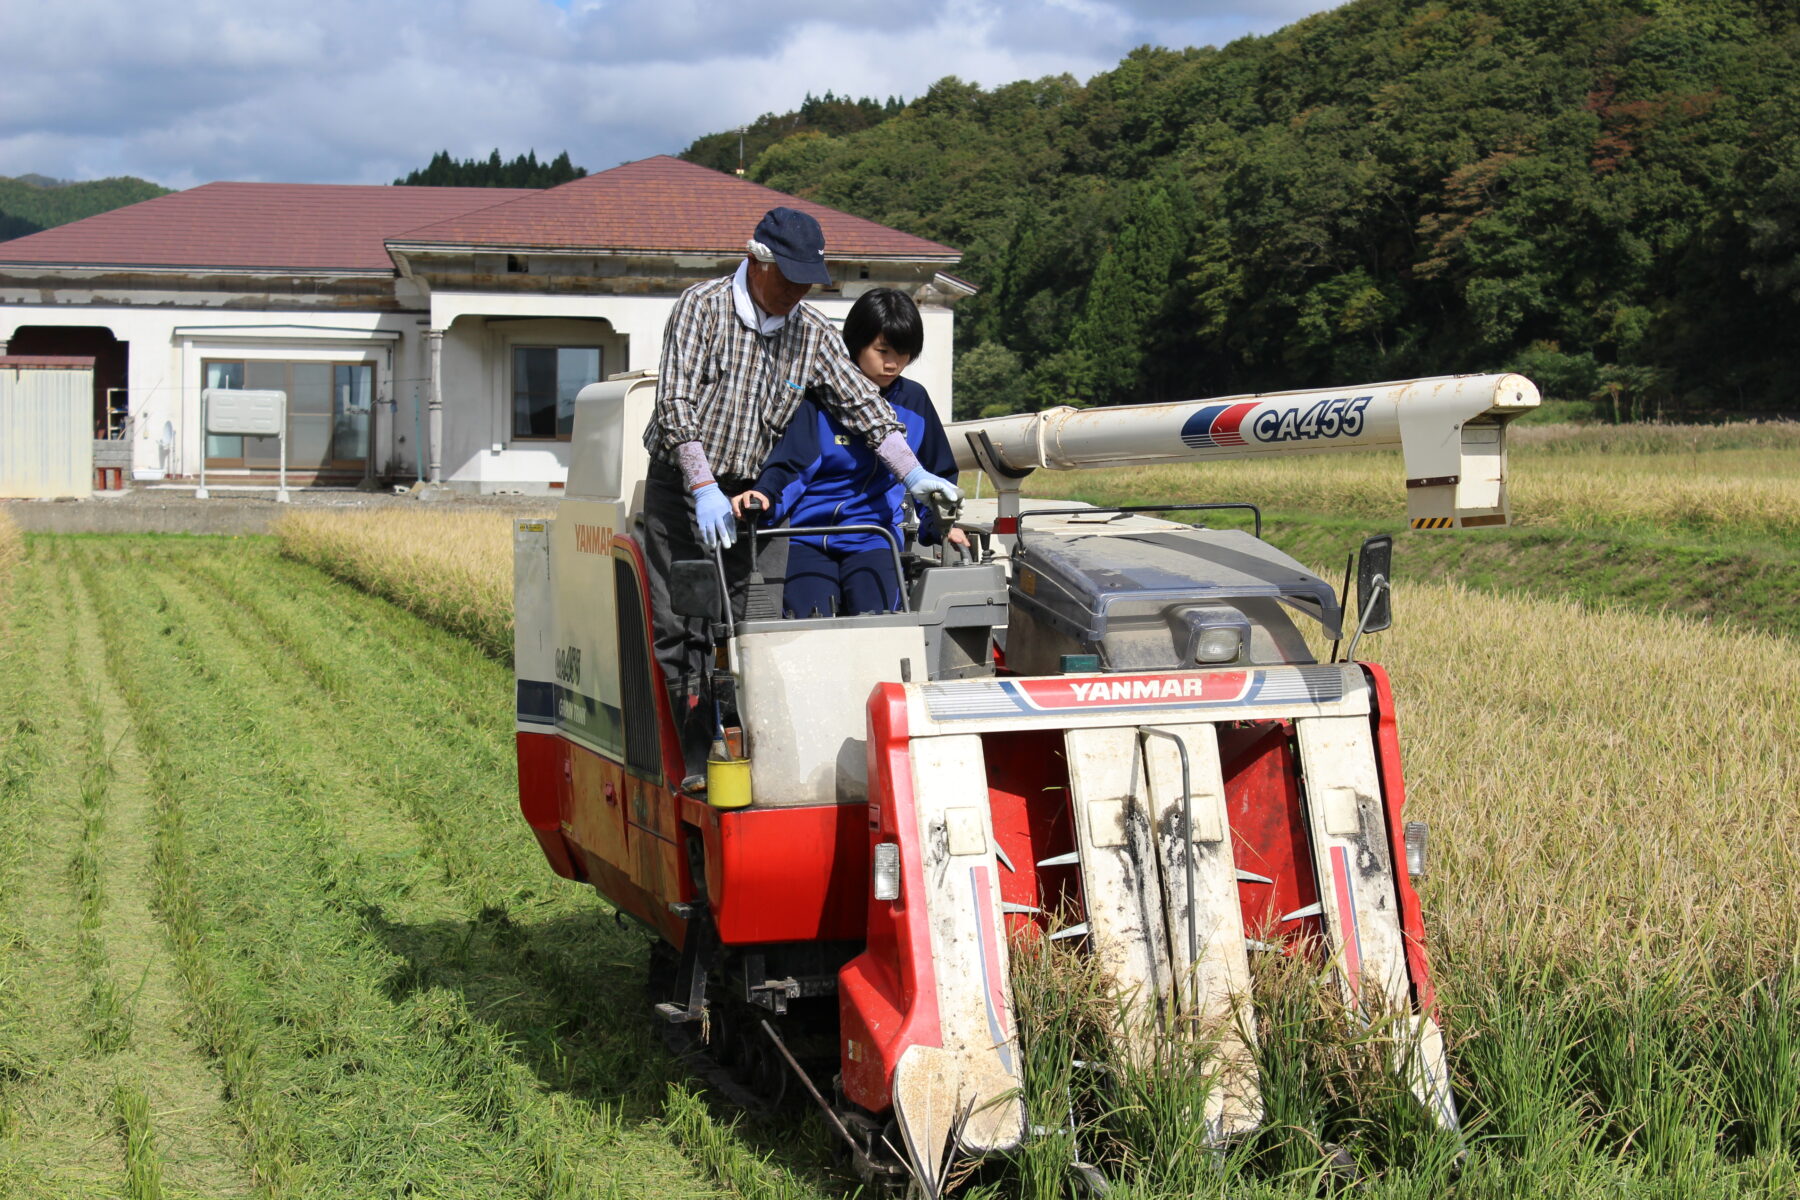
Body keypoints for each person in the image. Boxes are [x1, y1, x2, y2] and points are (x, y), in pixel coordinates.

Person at [641, 207, 961, 765]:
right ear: (755, 260)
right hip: (682, 485)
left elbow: (862, 406)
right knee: (677, 623)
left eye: (805, 282)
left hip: (745, 495)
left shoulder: (811, 333)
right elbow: (674, 402)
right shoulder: (702, 309)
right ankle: (691, 757)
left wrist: (913, 473)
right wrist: (701, 484)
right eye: (786, 279)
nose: (794, 292)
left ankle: (737, 745)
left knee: (736, 626)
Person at [737, 288, 968, 617]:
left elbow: (935, 472)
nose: (892, 364)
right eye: (882, 350)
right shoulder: (817, 398)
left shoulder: (915, 402)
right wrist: (763, 497)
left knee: (877, 622)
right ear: (856, 343)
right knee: (808, 624)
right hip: (806, 536)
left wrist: (941, 524)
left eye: (903, 354)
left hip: (873, 537)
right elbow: (790, 465)